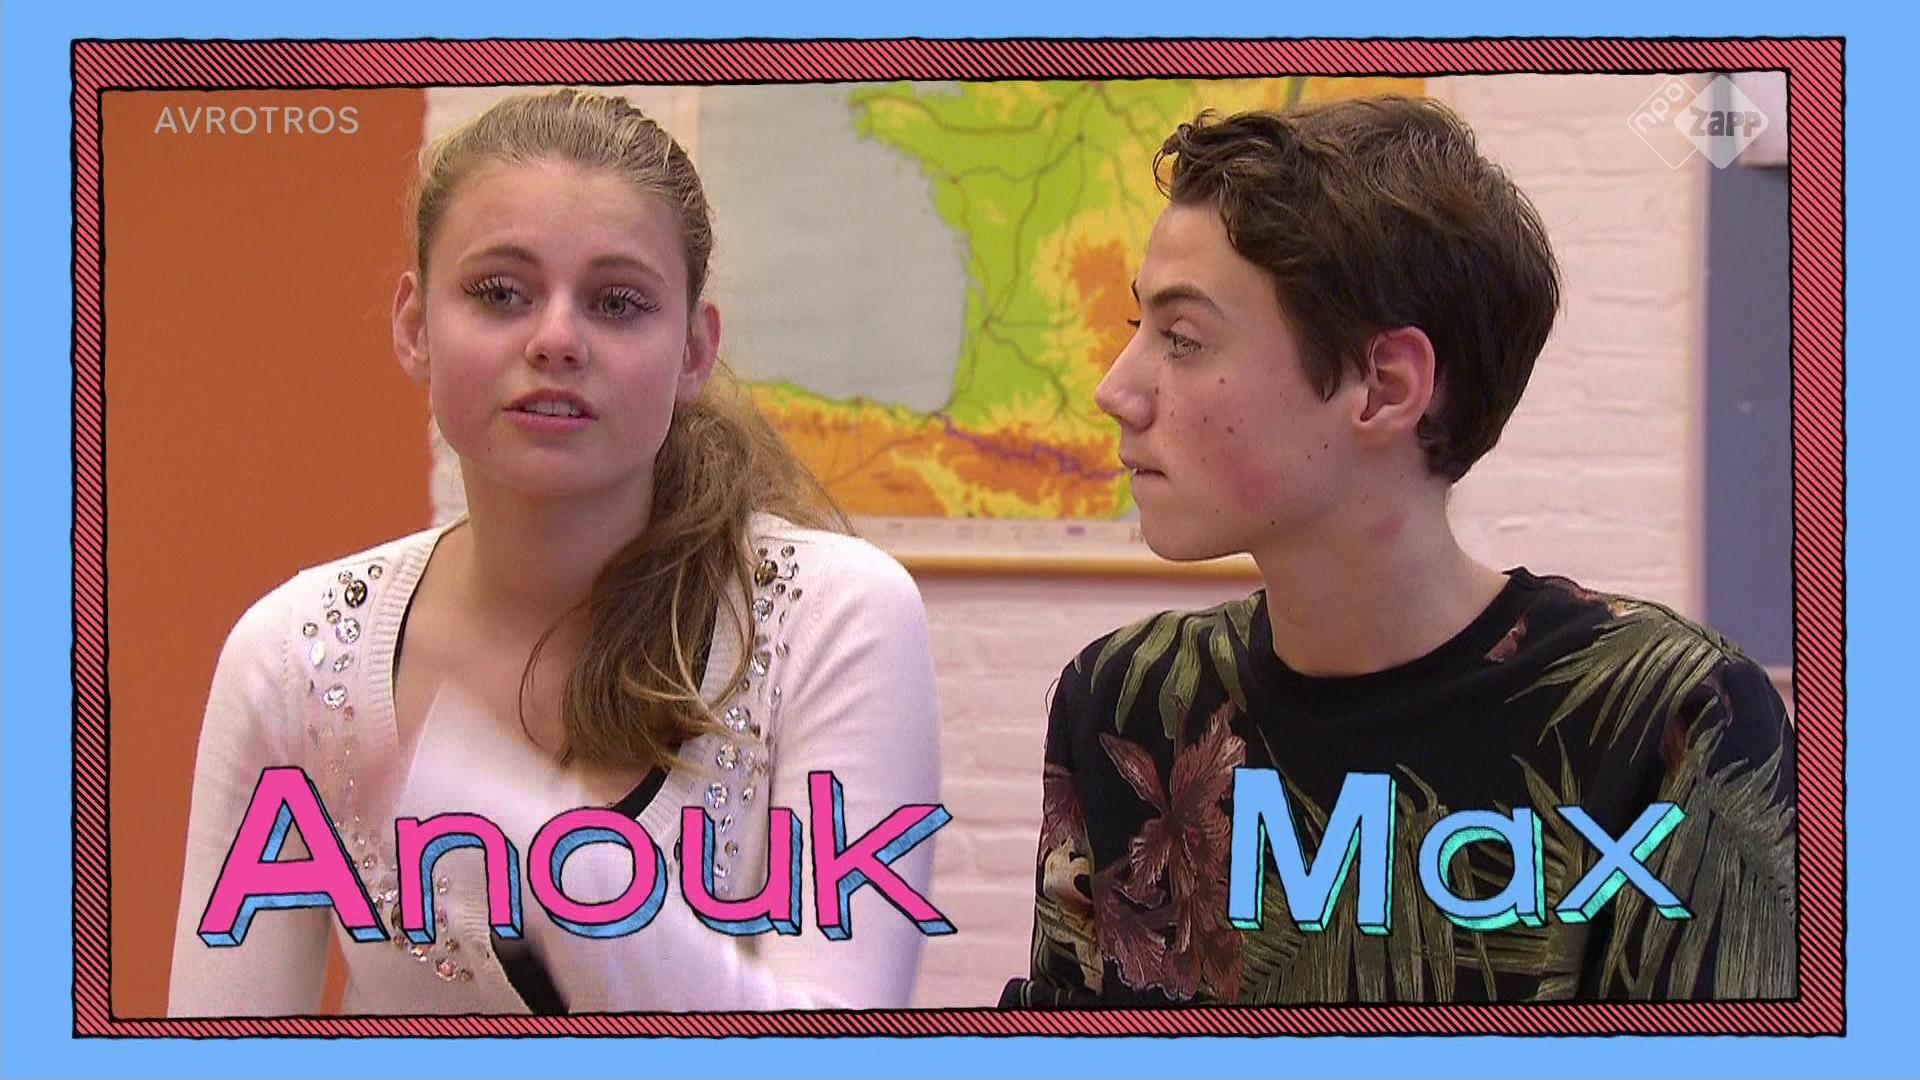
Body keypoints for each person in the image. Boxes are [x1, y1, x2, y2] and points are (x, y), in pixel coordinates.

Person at [1003, 97, 1797, 1006]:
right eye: (1136, 329)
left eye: (1182, 339)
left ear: (1384, 388)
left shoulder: (1669, 719)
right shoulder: (1125, 698)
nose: (1116, 390)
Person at [168, 88, 942, 1015]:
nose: (557, 340)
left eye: (618, 303)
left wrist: (515, 821)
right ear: (414, 326)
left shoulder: (831, 617)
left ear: (694, 353)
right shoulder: (299, 655)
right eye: (500, 293)